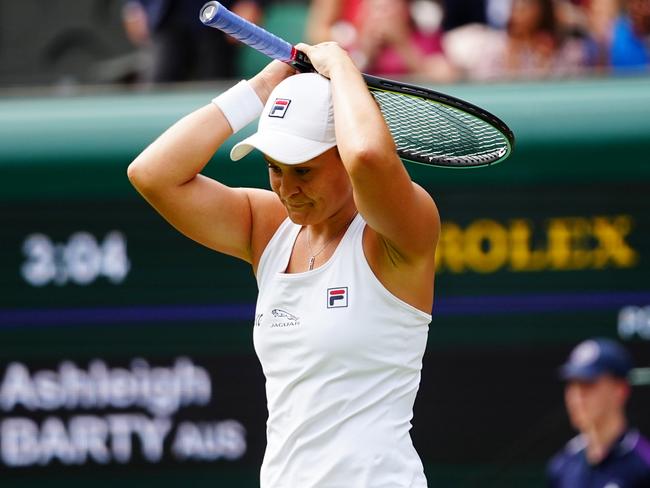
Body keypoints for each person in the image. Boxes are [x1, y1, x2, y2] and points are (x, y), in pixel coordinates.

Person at [127, 41, 439, 487]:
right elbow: (152, 173)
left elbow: (369, 156)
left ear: (342, 155)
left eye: (304, 169)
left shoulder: (395, 234)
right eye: (274, 167)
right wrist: (265, 85)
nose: (286, 188)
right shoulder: (269, 229)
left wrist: (339, 66)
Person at [547, 338, 650, 487]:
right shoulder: (562, 466)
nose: (577, 398)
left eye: (587, 385)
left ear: (620, 390)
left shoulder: (643, 464)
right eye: (572, 385)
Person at [306, 0, 458, 82]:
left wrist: (403, 45)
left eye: (389, 8)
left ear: (405, 10)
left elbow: (447, 75)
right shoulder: (350, 46)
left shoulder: (424, 37)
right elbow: (343, 78)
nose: (382, 17)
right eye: (377, 9)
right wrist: (366, 52)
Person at [121, 0, 264, 82]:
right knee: (156, 89)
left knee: (217, 93)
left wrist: (252, 2)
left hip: (219, 20)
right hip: (167, 19)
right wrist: (133, 6)